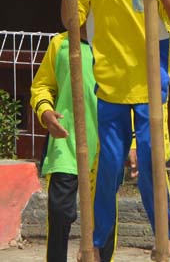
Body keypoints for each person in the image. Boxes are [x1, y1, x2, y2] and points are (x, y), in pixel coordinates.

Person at [55, 0, 170, 259]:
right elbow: (72, 23)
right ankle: (98, 243)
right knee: (108, 167)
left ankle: (166, 232)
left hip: (149, 83)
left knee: (149, 161)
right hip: (109, 86)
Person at [30, 27, 121, 262]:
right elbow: (41, 85)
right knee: (60, 214)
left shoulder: (113, 43)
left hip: (105, 146)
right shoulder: (59, 44)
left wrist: (130, 144)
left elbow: (129, 95)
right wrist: (45, 111)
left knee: (104, 218)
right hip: (65, 144)